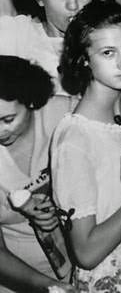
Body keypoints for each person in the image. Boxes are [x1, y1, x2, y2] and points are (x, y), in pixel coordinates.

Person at [51, 2, 121, 293]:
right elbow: (86, 252)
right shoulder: (74, 140)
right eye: (108, 52)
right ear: (84, 59)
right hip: (108, 281)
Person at [0, 56, 74, 291]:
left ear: (31, 100)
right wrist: (50, 287)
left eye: (8, 119)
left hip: (89, 257)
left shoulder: (67, 115)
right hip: (21, 277)